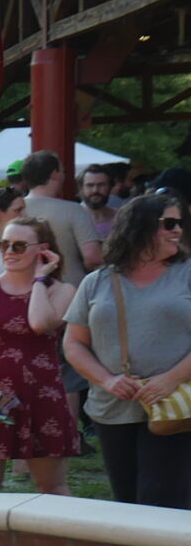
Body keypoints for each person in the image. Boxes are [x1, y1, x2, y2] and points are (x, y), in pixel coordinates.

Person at [63, 192, 191, 509]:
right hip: (111, 408)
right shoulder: (97, 282)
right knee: (127, 501)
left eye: (180, 223)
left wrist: (171, 379)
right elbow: (73, 343)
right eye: (169, 223)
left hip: (176, 405)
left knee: (161, 501)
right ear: (140, 227)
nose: (178, 230)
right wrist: (107, 380)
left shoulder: (187, 274)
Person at [0, 217, 80, 493]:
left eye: (19, 245)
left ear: (43, 250)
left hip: (42, 396)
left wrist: (40, 280)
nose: (9, 252)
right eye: (3, 245)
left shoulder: (63, 291)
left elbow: (39, 323)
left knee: (53, 487)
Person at [15, 149, 99, 284]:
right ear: (55, 174)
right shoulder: (75, 210)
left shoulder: (13, 210)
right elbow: (92, 256)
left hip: (24, 286)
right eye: (63, 171)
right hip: (70, 287)